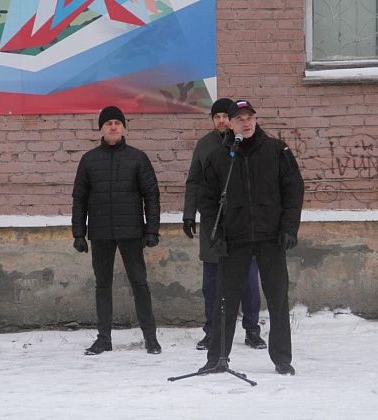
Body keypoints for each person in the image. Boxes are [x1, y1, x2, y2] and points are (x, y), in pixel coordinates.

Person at [198, 100, 304, 375]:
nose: (245, 123)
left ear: (255, 119)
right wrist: (216, 235)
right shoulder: (219, 157)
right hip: (235, 238)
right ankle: (217, 357)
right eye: (239, 119)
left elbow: (293, 190)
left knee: (277, 298)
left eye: (250, 117)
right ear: (230, 124)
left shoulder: (276, 150)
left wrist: (289, 228)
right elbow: (207, 201)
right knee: (225, 300)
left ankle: (282, 359)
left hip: (271, 237)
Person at [72, 105, 162, 356]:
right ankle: (104, 339)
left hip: (131, 231)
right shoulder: (89, 160)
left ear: (124, 128)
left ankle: (151, 338)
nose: (113, 127)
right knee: (103, 285)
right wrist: (78, 233)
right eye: (108, 123)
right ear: (101, 129)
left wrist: (152, 230)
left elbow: (151, 195)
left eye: (117, 123)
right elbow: (79, 198)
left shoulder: (137, 158)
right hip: (100, 232)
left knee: (139, 283)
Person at [182, 98, 266, 351]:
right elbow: (194, 182)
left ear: (232, 120)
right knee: (212, 284)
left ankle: (252, 330)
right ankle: (212, 331)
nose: (220, 121)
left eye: (224, 116)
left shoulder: (249, 144)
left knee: (249, 282)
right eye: (216, 116)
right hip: (214, 221)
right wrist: (189, 214)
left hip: (243, 223)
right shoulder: (204, 146)